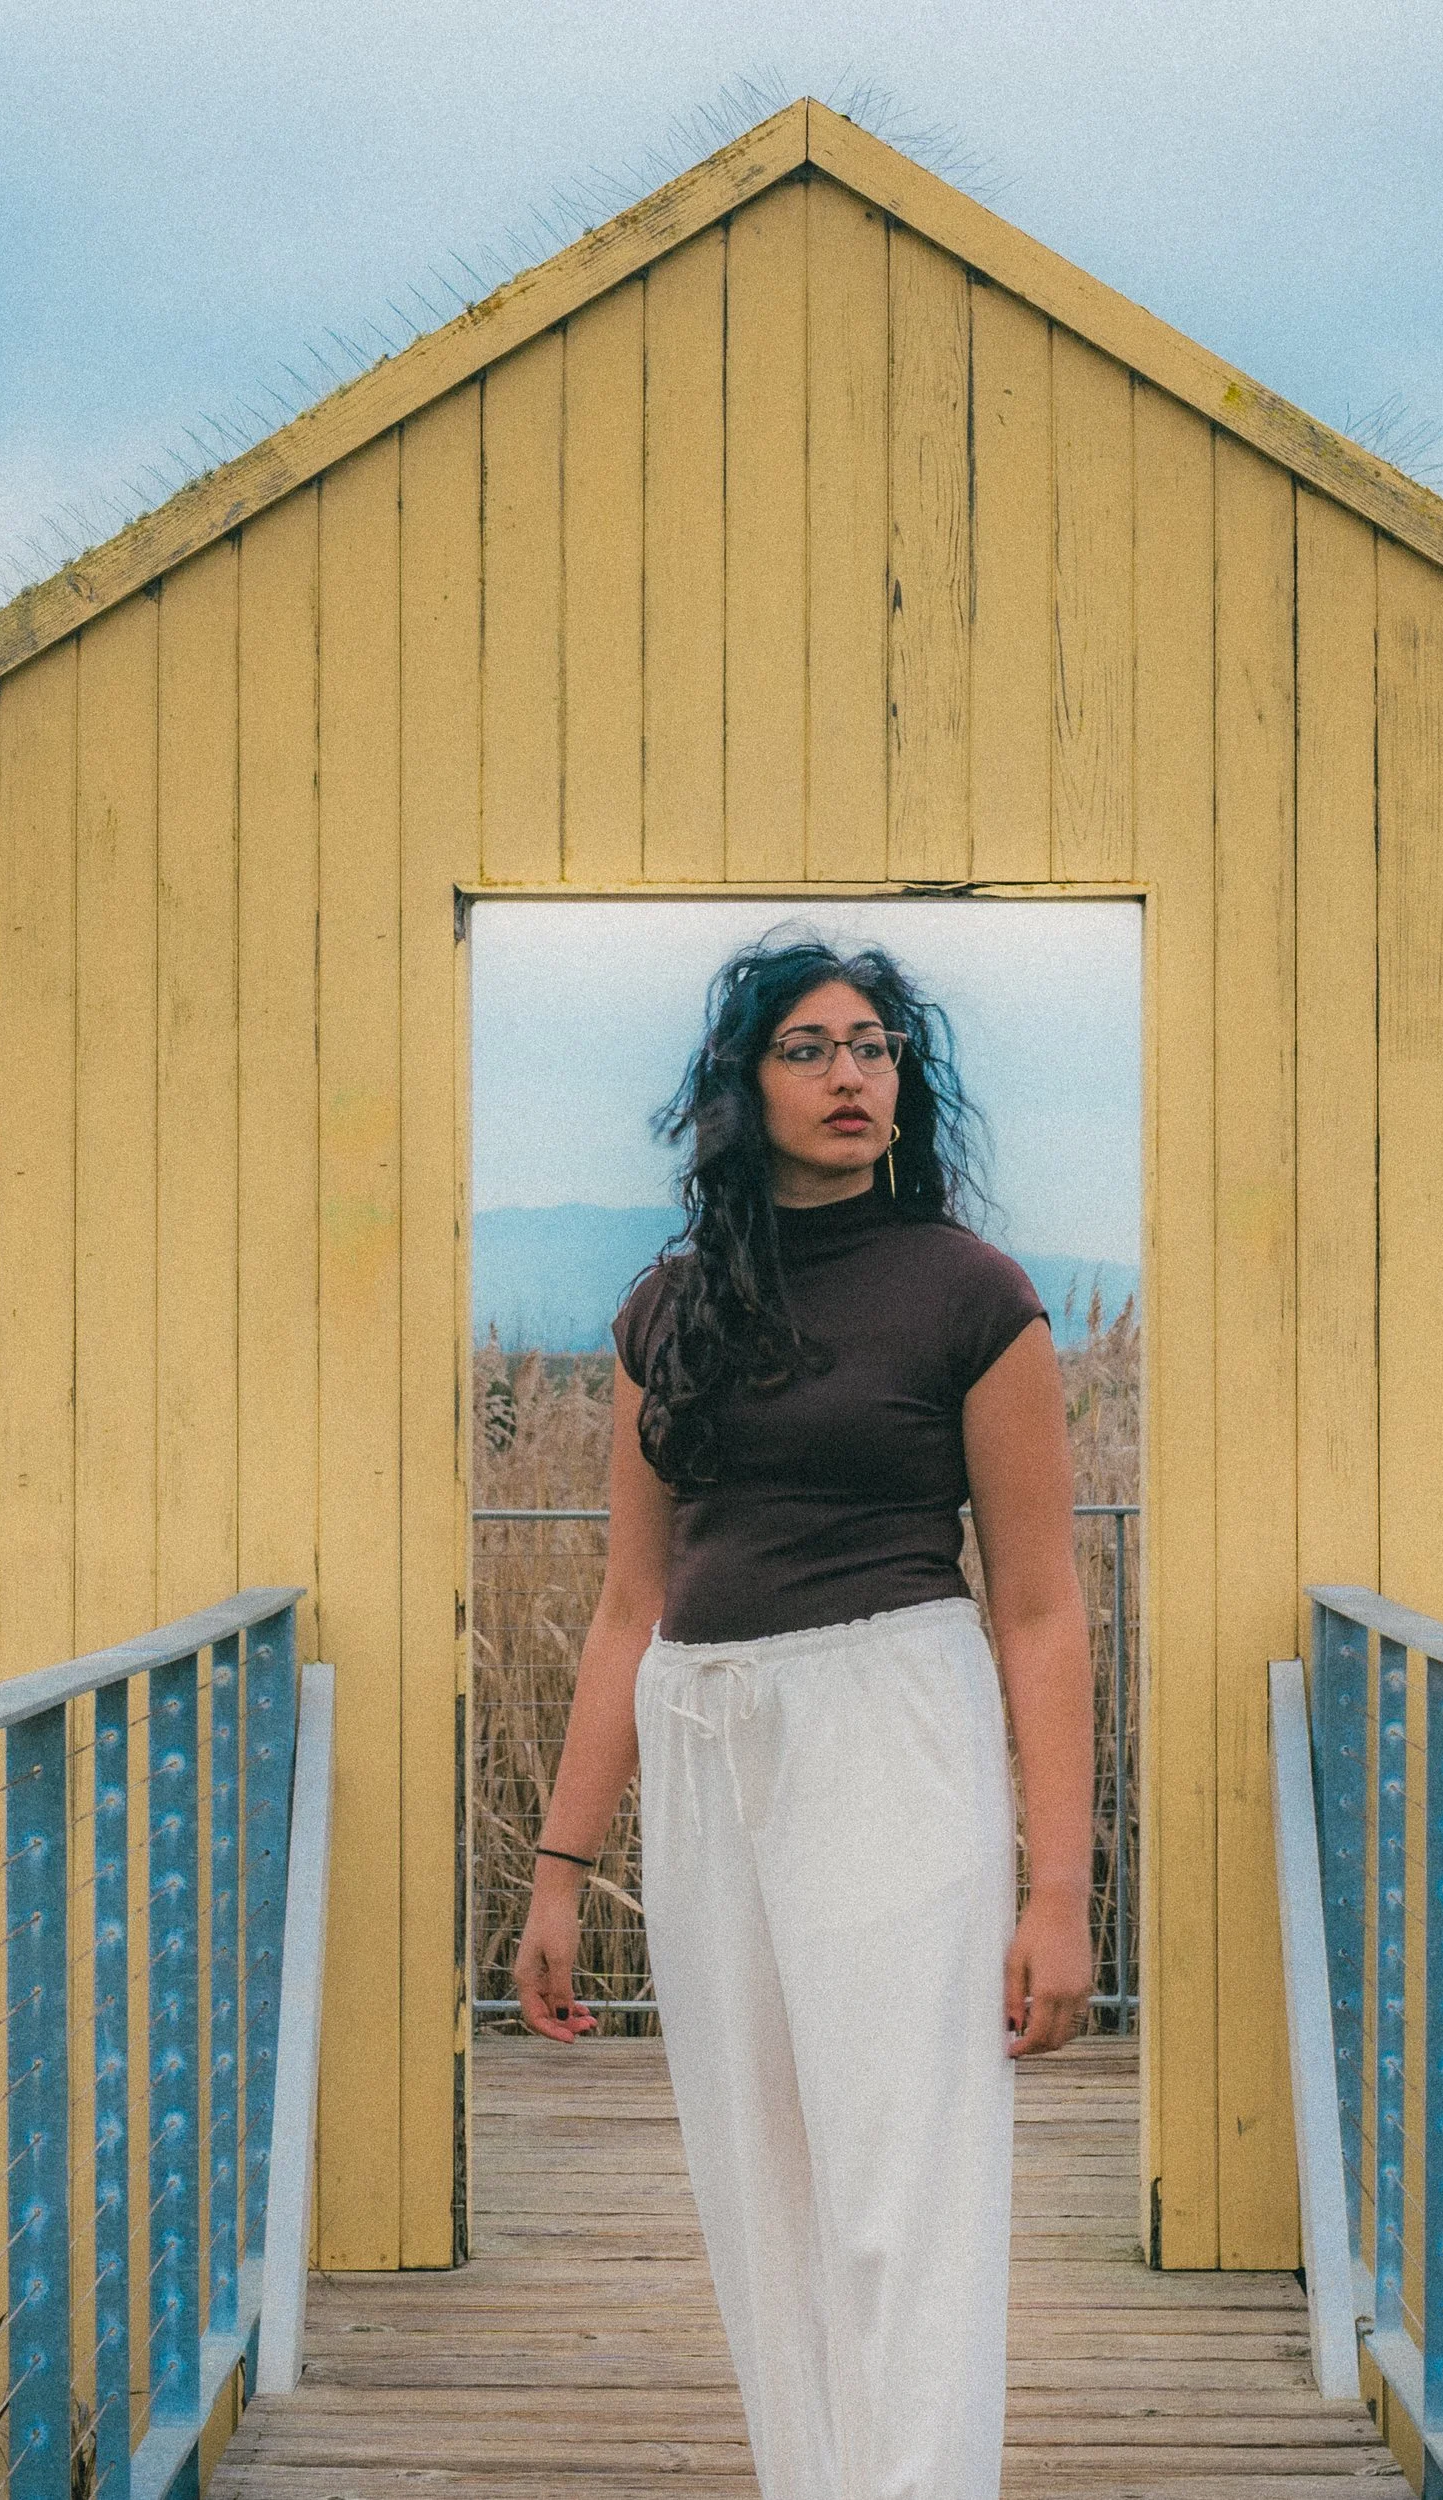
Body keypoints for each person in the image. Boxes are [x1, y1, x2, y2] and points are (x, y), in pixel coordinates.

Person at [512, 931, 1097, 2500]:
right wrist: (560, 1872)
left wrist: (1059, 1892)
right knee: (762, 2186)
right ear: (743, 1087)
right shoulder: (670, 1310)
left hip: (889, 1718)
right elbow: (633, 1609)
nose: (852, 1076)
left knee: (898, 2181)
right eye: (811, 1049)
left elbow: (1040, 1606)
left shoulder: (973, 1297)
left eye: (875, 1049)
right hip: (709, 1740)